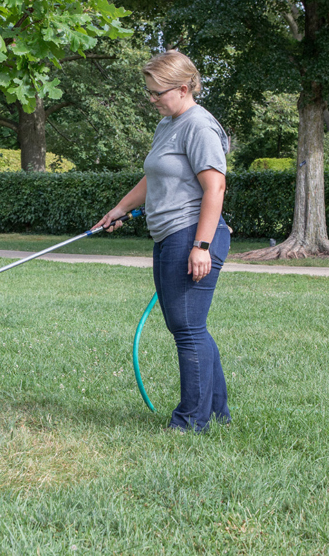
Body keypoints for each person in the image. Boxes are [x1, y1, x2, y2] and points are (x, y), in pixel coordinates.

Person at [94, 50, 231, 432]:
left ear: (183, 88)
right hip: (170, 235)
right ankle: (217, 412)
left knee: (188, 329)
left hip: (191, 235)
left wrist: (201, 246)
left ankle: (191, 422)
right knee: (190, 326)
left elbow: (215, 187)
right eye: (149, 92)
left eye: (157, 92)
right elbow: (154, 176)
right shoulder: (168, 124)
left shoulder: (198, 127)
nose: (151, 99)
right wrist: (119, 209)